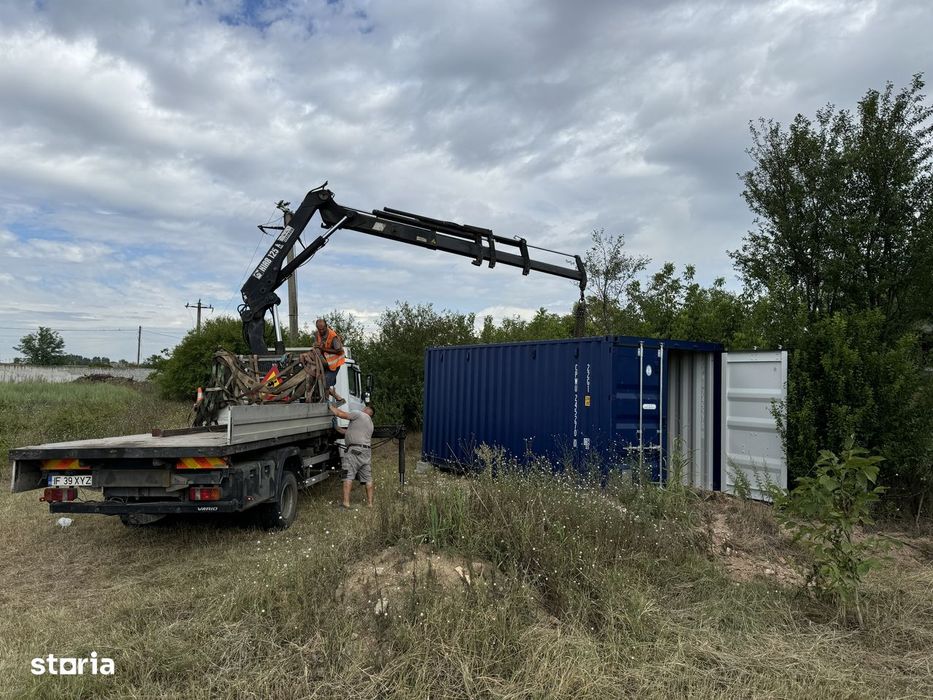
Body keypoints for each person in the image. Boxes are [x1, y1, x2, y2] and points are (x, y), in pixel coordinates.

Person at [329, 403, 375, 508]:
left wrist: (330, 407)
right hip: (366, 452)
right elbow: (349, 432)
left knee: (347, 475)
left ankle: (346, 503)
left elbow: (341, 414)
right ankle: (370, 504)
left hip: (354, 450)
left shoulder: (359, 414)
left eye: (365, 407)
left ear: (367, 409)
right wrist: (337, 428)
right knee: (368, 478)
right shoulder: (370, 424)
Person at [314, 318, 345, 404]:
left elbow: (339, 350)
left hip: (335, 362)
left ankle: (326, 401)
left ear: (326, 326)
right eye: (319, 329)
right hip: (325, 362)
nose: (321, 331)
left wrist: (323, 349)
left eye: (323, 328)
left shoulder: (333, 336)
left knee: (326, 381)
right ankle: (338, 398)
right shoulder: (317, 334)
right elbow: (317, 344)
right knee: (319, 380)